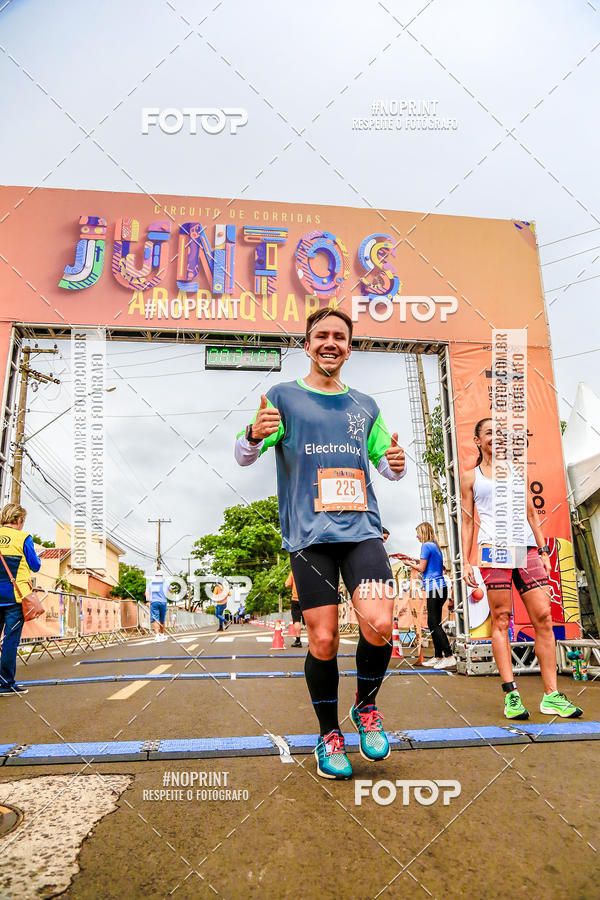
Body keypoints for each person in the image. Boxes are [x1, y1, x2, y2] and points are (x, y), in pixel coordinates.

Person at [235, 307, 407, 779]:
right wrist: (252, 435)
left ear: (349, 347)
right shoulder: (282, 396)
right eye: (322, 336)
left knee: (380, 622)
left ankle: (366, 708)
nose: (331, 343)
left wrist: (395, 460)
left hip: (362, 531)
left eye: (340, 337)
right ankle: (328, 733)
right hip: (309, 538)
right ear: (307, 344)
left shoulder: (365, 405)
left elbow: (388, 466)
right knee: (325, 639)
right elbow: (244, 455)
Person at [461, 417, 582, 719]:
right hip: (495, 550)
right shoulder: (470, 477)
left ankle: (551, 695)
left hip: (525, 547)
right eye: (489, 433)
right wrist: (465, 560)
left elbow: (531, 511)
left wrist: (542, 550)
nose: (496, 438)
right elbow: (466, 520)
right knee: (501, 619)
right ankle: (511, 694)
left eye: (500, 434)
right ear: (478, 441)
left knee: (542, 616)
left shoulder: (516, 471)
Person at [0, 503, 41, 695]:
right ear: (19, 520)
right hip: (15, 598)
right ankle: (6, 683)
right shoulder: (24, 538)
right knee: (10, 640)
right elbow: (35, 565)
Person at [407, 522, 455, 669]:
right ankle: (438, 655)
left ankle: (449, 655)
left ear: (423, 532)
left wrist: (409, 563)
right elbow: (428, 566)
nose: (417, 536)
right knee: (433, 622)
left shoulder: (426, 545)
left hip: (435, 588)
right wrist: (413, 561)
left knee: (434, 623)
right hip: (440, 588)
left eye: (418, 533)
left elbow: (421, 568)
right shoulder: (434, 545)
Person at [147, 570, 168, 642]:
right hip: (163, 602)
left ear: (155, 576)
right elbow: (170, 591)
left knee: (155, 619)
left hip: (154, 602)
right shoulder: (165, 582)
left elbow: (146, 592)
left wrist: (148, 601)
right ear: (162, 576)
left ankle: (157, 636)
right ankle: (162, 635)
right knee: (162, 619)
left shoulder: (150, 583)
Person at [285, 570, 304, 648]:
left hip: (296, 599)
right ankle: (312, 641)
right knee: (309, 622)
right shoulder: (310, 570)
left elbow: (287, 584)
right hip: (307, 599)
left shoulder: (294, 571)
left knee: (296, 621)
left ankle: (298, 641)